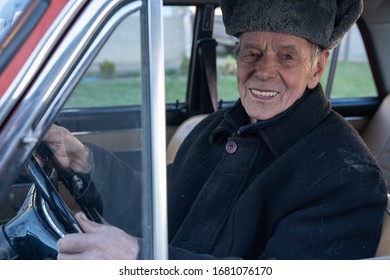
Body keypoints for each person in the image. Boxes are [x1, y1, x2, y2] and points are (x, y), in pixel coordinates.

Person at [43, 0, 388, 260]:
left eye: (286, 57)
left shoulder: (346, 178)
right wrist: (84, 163)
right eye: (252, 52)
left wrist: (140, 258)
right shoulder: (215, 129)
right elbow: (158, 205)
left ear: (318, 67)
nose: (263, 72)